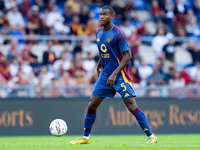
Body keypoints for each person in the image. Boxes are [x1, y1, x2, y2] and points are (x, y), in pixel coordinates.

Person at [69, 5, 158, 145]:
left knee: (131, 105)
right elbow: (105, 51)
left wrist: (115, 74)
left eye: (105, 14)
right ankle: (85, 138)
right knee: (92, 103)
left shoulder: (118, 33)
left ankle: (151, 135)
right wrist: (99, 64)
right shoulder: (98, 33)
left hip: (120, 74)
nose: (101, 17)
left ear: (111, 16)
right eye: (100, 14)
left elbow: (128, 56)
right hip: (106, 73)